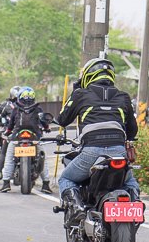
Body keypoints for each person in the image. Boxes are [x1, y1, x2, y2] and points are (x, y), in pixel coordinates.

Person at [54, 57, 140, 213]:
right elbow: (133, 131)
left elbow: (62, 119)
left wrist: (76, 91)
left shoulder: (80, 94)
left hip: (91, 151)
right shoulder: (124, 97)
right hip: (118, 153)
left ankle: (77, 208)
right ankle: (135, 203)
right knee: (130, 182)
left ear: (87, 75)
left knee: (66, 179)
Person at [0, 87, 53, 194]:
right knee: (43, 158)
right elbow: (44, 122)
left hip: (17, 137)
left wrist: (8, 132)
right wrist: (47, 128)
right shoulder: (38, 109)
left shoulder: (16, 109)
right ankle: (46, 184)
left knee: (9, 158)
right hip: (34, 137)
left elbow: (10, 125)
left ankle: (5, 183)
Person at [0, 86, 22, 181]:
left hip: (9, 131)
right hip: (14, 130)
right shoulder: (27, 105)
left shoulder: (7, 105)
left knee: (3, 149)